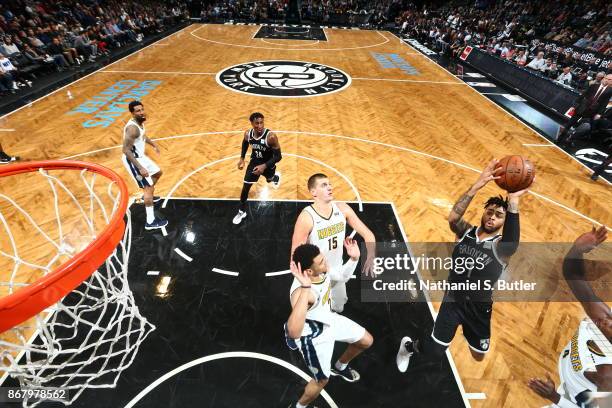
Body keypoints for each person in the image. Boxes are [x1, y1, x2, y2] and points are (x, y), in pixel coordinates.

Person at [397, 159, 527, 371]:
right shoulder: (466, 231)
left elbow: (512, 242)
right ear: (484, 212)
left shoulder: (501, 246)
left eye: (499, 215)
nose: (492, 217)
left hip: (479, 308)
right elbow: (453, 216)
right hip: (453, 300)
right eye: (490, 212)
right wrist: (477, 185)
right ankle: (409, 347)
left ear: (504, 221)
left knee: (478, 356)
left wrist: (513, 202)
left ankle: (467, 331)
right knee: (435, 352)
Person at [528, 226, 611, 407]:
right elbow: (573, 275)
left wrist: (554, 398)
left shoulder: (608, 377)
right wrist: (577, 249)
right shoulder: (604, 320)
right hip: (568, 384)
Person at [285, 241, 373, 408]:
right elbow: (295, 331)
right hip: (313, 335)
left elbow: (341, 277)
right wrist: (305, 287)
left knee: (366, 341)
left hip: (328, 319)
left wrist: (354, 259)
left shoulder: (321, 271)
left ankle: (340, 366)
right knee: (322, 380)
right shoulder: (304, 292)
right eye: (321, 261)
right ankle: (299, 407)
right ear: (309, 271)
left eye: (322, 258)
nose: (325, 261)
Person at [291, 173, 376, 313]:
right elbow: (295, 255)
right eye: (324, 185)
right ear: (313, 192)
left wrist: (371, 256)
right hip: (316, 274)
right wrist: (306, 280)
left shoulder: (342, 209)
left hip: (337, 270)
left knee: (338, 306)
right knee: (313, 311)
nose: (330, 187)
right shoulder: (306, 217)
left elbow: (368, 234)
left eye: (329, 184)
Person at [121, 100, 167, 230]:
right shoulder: (132, 129)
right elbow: (125, 150)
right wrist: (140, 168)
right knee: (148, 187)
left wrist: (153, 145)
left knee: (158, 173)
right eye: (138, 111)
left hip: (141, 157)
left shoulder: (140, 124)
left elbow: (143, 136)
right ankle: (150, 222)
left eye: (142, 109)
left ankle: (147, 195)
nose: (141, 112)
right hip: (133, 160)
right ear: (132, 113)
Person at [232, 112, 281, 225]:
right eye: (256, 123)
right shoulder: (248, 134)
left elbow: (278, 156)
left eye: (261, 123)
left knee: (269, 179)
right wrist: (242, 158)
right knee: (245, 188)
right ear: (252, 123)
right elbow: (245, 143)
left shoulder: (271, 137)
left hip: (268, 164)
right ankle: (241, 211)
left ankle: (274, 177)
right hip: (254, 163)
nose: (259, 126)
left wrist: (264, 166)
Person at [558, 73, 612, 145]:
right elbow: (582, 95)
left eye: (609, 80)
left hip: (591, 112)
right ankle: (559, 138)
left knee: (585, 127)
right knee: (569, 123)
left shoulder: (609, 91)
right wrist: (574, 106)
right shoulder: (593, 86)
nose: (607, 80)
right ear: (603, 78)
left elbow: (604, 103)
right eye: (606, 78)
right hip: (581, 108)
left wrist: (599, 113)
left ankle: (571, 139)